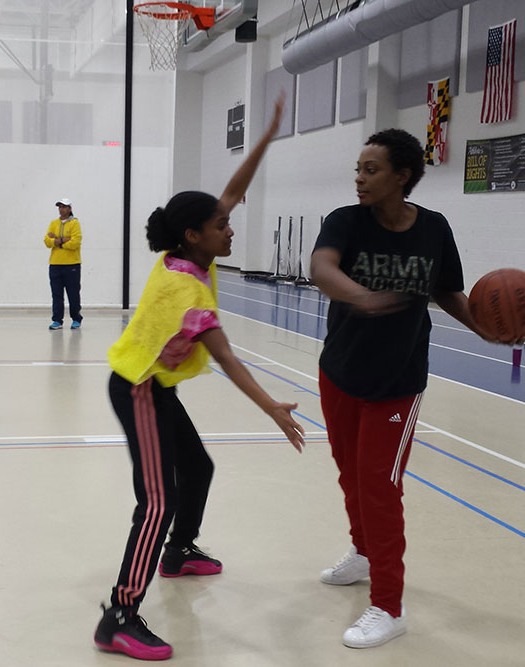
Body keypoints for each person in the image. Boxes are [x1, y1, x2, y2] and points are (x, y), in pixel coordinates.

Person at [94, 97, 304, 662]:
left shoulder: (188, 255)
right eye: (222, 226)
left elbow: (228, 193)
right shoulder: (186, 290)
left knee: (198, 468)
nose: (230, 229)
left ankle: (178, 552)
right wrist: (272, 408)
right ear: (194, 234)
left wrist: (265, 140)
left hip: (156, 386)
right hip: (138, 388)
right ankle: (119, 616)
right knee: (156, 502)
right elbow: (228, 358)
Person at [309, 128, 507, 649]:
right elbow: (321, 268)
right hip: (340, 372)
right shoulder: (345, 220)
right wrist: (362, 296)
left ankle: (389, 607)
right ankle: (363, 554)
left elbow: (448, 291)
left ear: (402, 176)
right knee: (351, 475)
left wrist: (484, 328)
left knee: (379, 484)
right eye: (358, 169)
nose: (359, 178)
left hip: (397, 381)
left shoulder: (434, 229)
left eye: (370, 170)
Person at [44, 198, 82, 330]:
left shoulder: (75, 224)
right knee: (56, 294)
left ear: (69, 209)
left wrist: (56, 241)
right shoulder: (53, 223)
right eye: (59, 207)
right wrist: (63, 240)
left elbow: (75, 243)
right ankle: (57, 320)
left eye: (64, 207)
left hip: (72, 264)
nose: (61, 209)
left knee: (73, 294)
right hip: (55, 264)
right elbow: (47, 241)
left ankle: (76, 318)